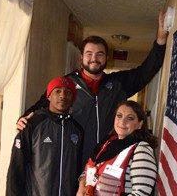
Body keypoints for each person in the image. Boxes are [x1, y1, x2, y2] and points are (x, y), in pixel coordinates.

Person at [17, 11, 168, 167]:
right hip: (70, 162)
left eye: (99, 54)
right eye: (89, 54)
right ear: (81, 57)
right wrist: (25, 117)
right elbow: (42, 107)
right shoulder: (66, 84)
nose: (94, 59)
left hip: (105, 160)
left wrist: (161, 39)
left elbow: (145, 72)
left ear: (106, 58)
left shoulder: (117, 84)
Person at [6, 76, 84, 196]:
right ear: (48, 96)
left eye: (68, 92)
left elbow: (77, 170)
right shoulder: (31, 124)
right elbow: (16, 169)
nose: (63, 96)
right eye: (57, 91)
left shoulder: (77, 130)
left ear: (73, 98)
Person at [77, 100, 158, 196]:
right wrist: (82, 186)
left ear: (140, 124)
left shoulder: (141, 149)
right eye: (119, 116)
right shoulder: (106, 143)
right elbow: (88, 170)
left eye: (130, 118)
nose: (122, 122)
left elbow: (141, 193)